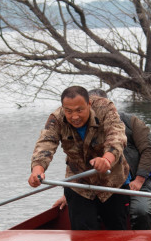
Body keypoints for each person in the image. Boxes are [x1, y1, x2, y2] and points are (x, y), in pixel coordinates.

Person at [29, 86, 131, 230]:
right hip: (79, 184)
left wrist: (107, 159)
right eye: (69, 111)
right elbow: (46, 143)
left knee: (116, 232)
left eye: (79, 110)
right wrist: (37, 170)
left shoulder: (105, 108)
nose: (74, 116)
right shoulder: (56, 118)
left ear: (89, 104)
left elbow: (117, 136)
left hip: (112, 183)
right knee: (82, 234)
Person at [88, 89, 151, 229]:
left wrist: (139, 180)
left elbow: (149, 149)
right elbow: (76, 161)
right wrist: (68, 194)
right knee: (91, 213)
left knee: (141, 212)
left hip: (138, 182)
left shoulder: (131, 122)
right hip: (106, 185)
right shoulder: (85, 128)